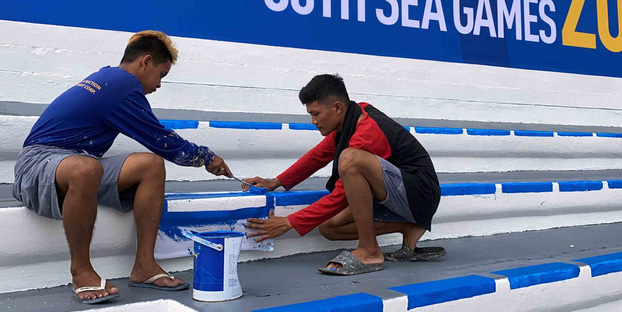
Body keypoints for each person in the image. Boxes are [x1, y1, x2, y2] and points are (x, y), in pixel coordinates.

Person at [12, 30, 233, 304]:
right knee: (88, 168)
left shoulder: (109, 78)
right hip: (37, 164)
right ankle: (81, 271)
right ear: (146, 61)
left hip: (75, 162)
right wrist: (207, 158)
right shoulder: (122, 84)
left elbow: (155, 148)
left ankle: (144, 266)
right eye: (161, 75)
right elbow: (160, 138)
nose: (159, 85)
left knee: (150, 166)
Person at [243, 74, 444, 275]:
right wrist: (275, 182)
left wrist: (289, 222)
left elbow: (340, 195)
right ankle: (408, 227)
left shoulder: (368, 130)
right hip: (398, 196)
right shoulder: (349, 119)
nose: (313, 121)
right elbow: (317, 156)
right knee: (329, 227)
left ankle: (369, 251)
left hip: (421, 192)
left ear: (337, 108)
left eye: (316, 114)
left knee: (350, 159)